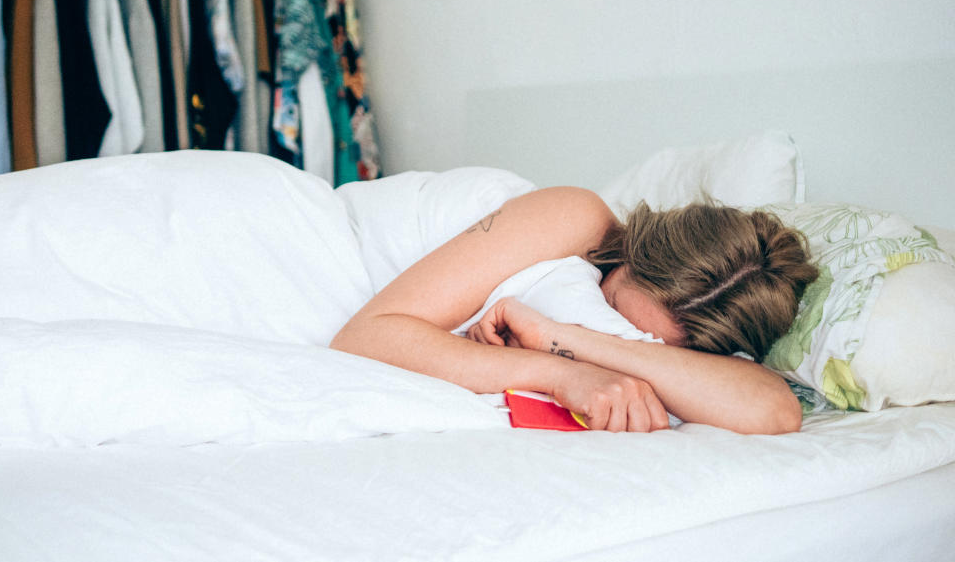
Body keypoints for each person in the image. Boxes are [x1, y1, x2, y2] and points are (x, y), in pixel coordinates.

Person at [330, 186, 818, 435]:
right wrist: (560, 376)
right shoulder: (576, 217)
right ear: (632, 250)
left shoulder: (704, 323)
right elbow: (365, 338)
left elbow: (774, 410)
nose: (606, 323)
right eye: (611, 305)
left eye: (638, 339)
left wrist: (566, 341)